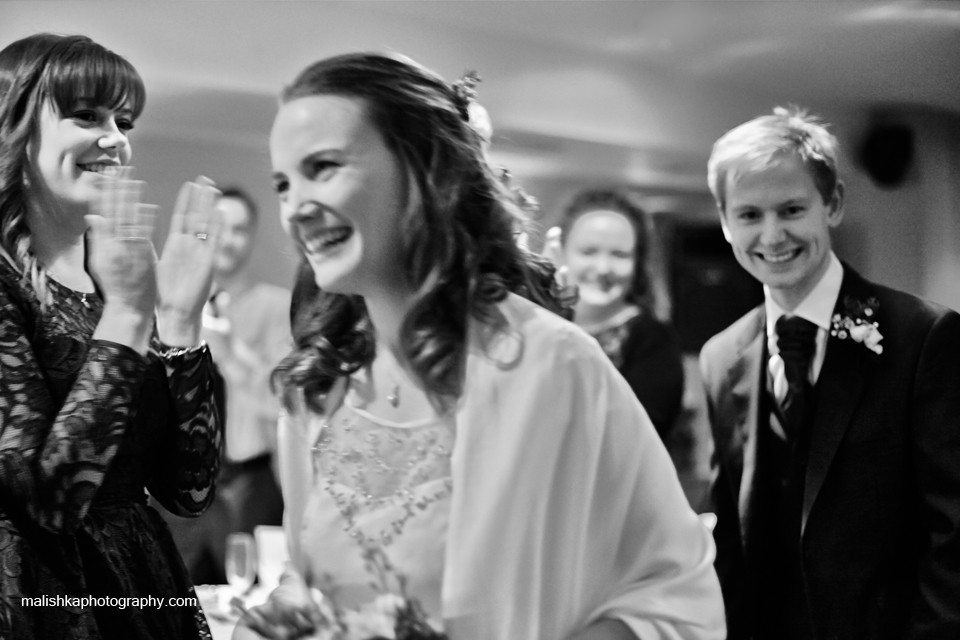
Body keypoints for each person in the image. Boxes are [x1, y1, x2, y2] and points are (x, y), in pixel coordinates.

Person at [235, 52, 724, 640]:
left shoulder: (551, 365)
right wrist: (284, 618)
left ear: (423, 170)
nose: (296, 209)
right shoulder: (316, 389)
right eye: (284, 184)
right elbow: (312, 575)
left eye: (324, 167)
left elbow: (673, 594)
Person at [700, 106, 960, 639]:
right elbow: (730, 535)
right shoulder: (720, 357)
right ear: (725, 222)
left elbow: (953, 532)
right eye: (749, 215)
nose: (772, 236)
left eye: (792, 209)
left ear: (833, 204)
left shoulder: (923, 336)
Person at [0, 33, 222, 639]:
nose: (116, 139)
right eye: (86, 115)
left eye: (124, 121)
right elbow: (49, 500)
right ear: (12, 128)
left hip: (141, 586)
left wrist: (178, 318)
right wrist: (128, 312)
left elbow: (190, 490)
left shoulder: (114, 271)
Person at [160, 187, 290, 585]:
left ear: (252, 235)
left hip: (249, 485)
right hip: (175, 488)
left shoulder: (278, 308)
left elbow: (282, 404)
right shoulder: (166, 309)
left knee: (252, 595)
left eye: (240, 229)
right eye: (219, 227)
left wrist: (231, 351)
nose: (228, 239)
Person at [555, 189, 684, 439]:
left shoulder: (652, 339)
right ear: (561, 253)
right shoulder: (537, 327)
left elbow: (639, 437)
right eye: (589, 252)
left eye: (619, 254)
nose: (603, 268)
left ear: (638, 263)